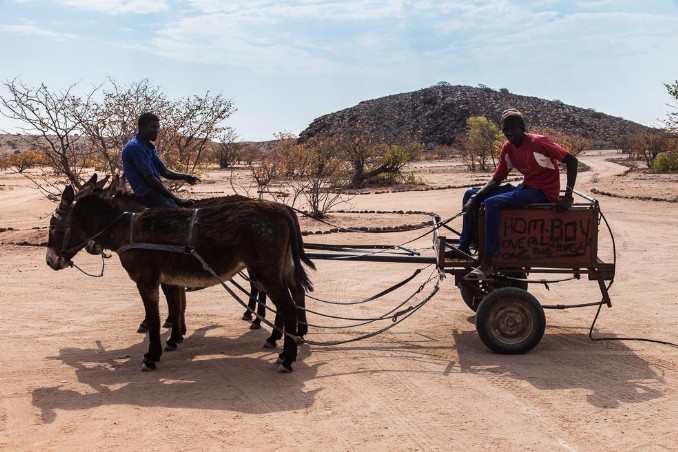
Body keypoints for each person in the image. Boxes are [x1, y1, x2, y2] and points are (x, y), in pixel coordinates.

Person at [460, 108, 578, 279]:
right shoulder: (508, 148)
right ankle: (464, 246)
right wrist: (475, 197)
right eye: (506, 130)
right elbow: (497, 179)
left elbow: (572, 160)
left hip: (543, 192)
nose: (509, 133)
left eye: (513, 128)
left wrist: (568, 197)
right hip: (526, 187)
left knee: (492, 203)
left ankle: (489, 262)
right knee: (469, 194)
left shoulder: (539, 142)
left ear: (522, 128)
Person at [122, 112, 199, 207]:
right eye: (153, 127)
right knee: (179, 214)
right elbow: (151, 180)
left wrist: (184, 176)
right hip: (147, 195)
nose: (156, 131)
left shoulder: (149, 147)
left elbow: (165, 171)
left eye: (157, 128)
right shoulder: (134, 147)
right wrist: (177, 199)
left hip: (156, 192)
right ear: (142, 128)